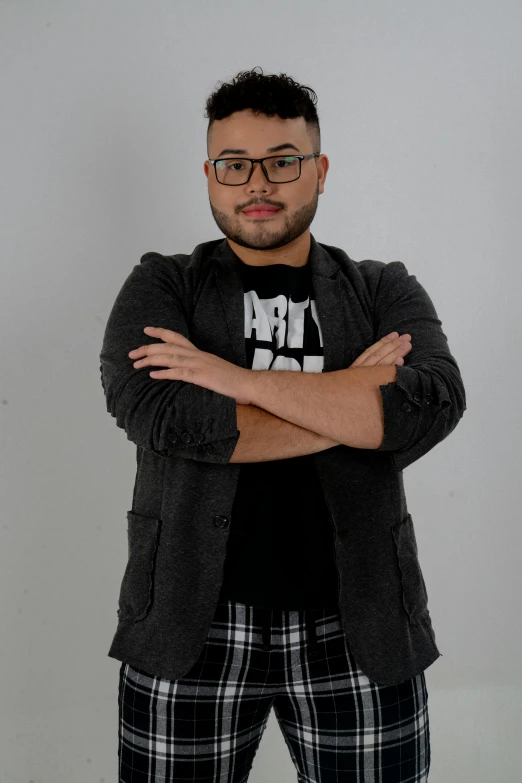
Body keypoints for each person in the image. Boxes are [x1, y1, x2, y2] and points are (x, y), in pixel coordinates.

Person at [100, 66, 466, 782]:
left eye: (281, 161)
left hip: (360, 622)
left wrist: (236, 382)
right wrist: (356, 402)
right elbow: (161, 415)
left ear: (319, 170)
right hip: (187, 619)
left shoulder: (384, 287)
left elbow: (432, 404)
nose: (257, 183)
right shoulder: (164, 284)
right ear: (210, 174)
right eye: (234, 164)